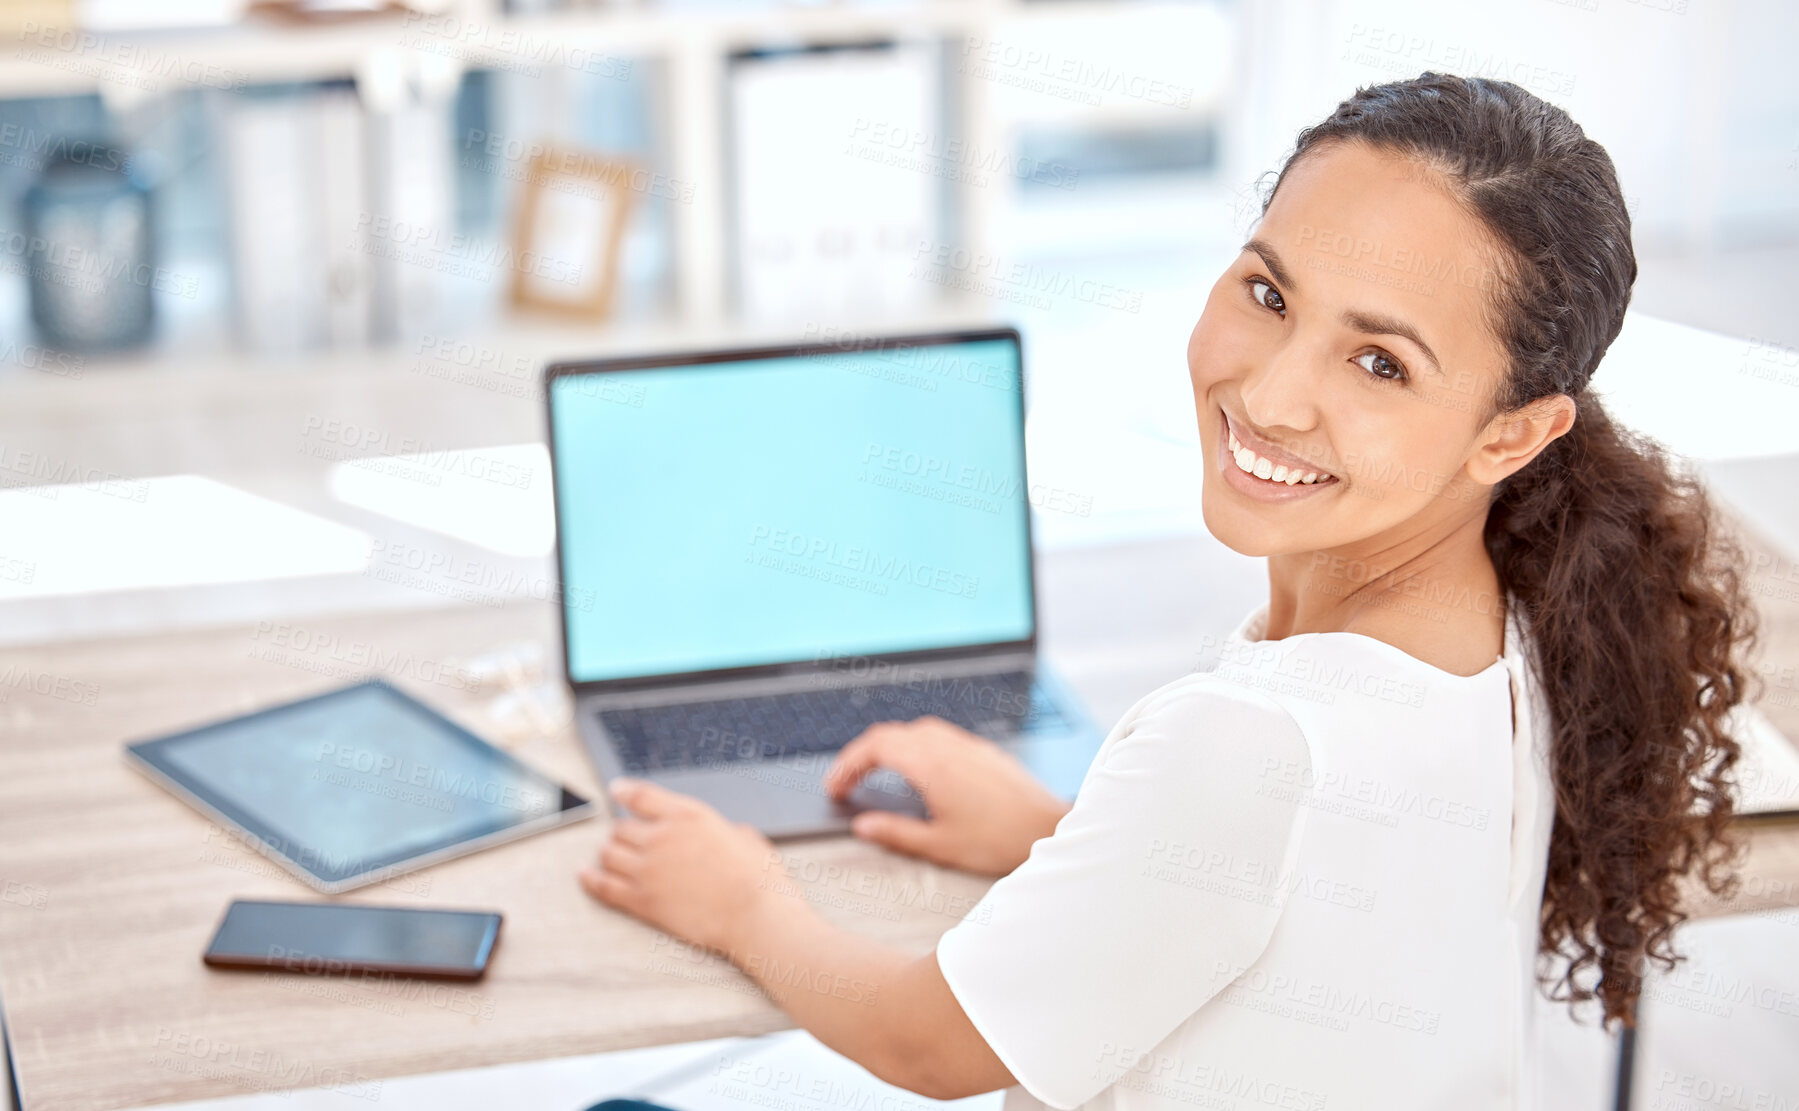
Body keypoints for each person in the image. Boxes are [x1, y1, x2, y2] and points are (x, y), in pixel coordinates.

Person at [575, 71, 1759, 1109]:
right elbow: (1311, 905)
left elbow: (927, 1042)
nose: (1273, 395)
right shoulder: (1502, 624)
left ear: (1513, 433)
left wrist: (741, 900)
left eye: (1378, 361)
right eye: (1268, 293)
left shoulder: (1249, 738)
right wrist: (1064, 832)